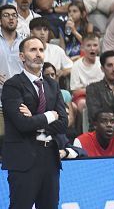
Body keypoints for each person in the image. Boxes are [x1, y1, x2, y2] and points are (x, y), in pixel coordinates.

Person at [1, 35, 70, 209]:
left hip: (50, 158)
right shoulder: (12, 85)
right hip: (23, 159)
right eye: (33, 50)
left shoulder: (52, 85)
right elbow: (22, 124)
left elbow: (63, 123)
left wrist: (33, 117)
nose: (38, 54)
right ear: (22, 57)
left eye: (41, 50)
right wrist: (49, 116)